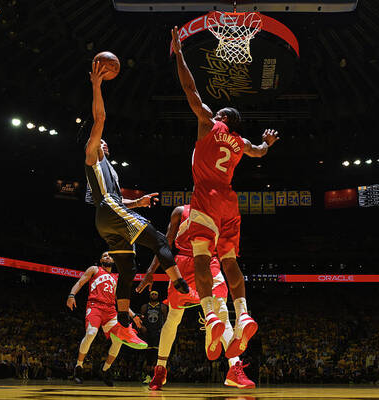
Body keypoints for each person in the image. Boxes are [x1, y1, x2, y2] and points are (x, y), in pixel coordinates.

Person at [170, 26, 279, 359]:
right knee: (229, 261)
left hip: (206, 195)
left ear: (222, 118)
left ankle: (212, 314)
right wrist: (267, 144)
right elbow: (258, 151)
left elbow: (189, 87)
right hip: (230, 201)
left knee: (202, 258)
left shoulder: (208, 123)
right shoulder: (239, 142)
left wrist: (179, 54)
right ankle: (242, 312)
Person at [84, 60, 190, 346]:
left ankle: (120, 324)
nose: (103, 143)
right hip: (108, 210)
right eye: (99, 141)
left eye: (104, 142)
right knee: (159, 241)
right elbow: (99, 120)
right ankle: (181, 286)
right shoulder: (92, 156)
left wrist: (137, 202)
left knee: (128, 270)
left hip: (107, 218)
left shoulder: (111, 172)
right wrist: (97, 85)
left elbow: (113, 205)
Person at [138, 205, 255, 390]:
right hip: (183, 263)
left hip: (210, 262)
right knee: (173, 317)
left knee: (222, 309)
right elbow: (165, 243)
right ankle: (160, 369)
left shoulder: (218, 210)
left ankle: (234, 368)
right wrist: (151, 271)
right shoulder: (180, 211)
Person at [66, 251, 143, 386]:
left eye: (110, 255)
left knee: (119, 340)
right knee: (91, 333)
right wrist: (71, 295)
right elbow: (80, 282)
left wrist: (134, 315)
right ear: (101, 260)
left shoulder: (116, 277)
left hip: (111, 310)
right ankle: (78, 367)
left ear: (114, 261)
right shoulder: (94, 269)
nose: (107, 256)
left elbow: (121, 300)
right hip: (95, 306)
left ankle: (105, 369)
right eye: (104, 255)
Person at [139, 290, 168, 383]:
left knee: (156, 356)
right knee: (148, 357)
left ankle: (156, 376)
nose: (154, 295)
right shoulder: (144, 307)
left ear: (158, 296)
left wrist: (164, 330)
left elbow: (167, 320)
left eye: (156, 294)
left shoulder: (162, 307)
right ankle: (148, 377)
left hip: (158, 333)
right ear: (150, 295)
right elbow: (140, 319)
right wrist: (142, 327)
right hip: (147, 333)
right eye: (152, 294)